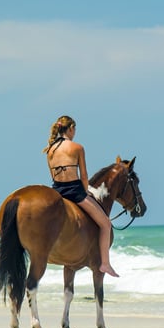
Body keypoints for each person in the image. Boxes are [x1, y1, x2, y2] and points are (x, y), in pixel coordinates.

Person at [43, 115, 119, 277]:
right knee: (105, 224)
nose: (75, 132)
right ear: (70, 128)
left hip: (57, 191)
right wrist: (86, 192)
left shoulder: (50, 150)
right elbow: (84, 175)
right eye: (74, 129)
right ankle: (105, 264)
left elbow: (53, 176)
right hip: (74, 192)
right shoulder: (77, 147)